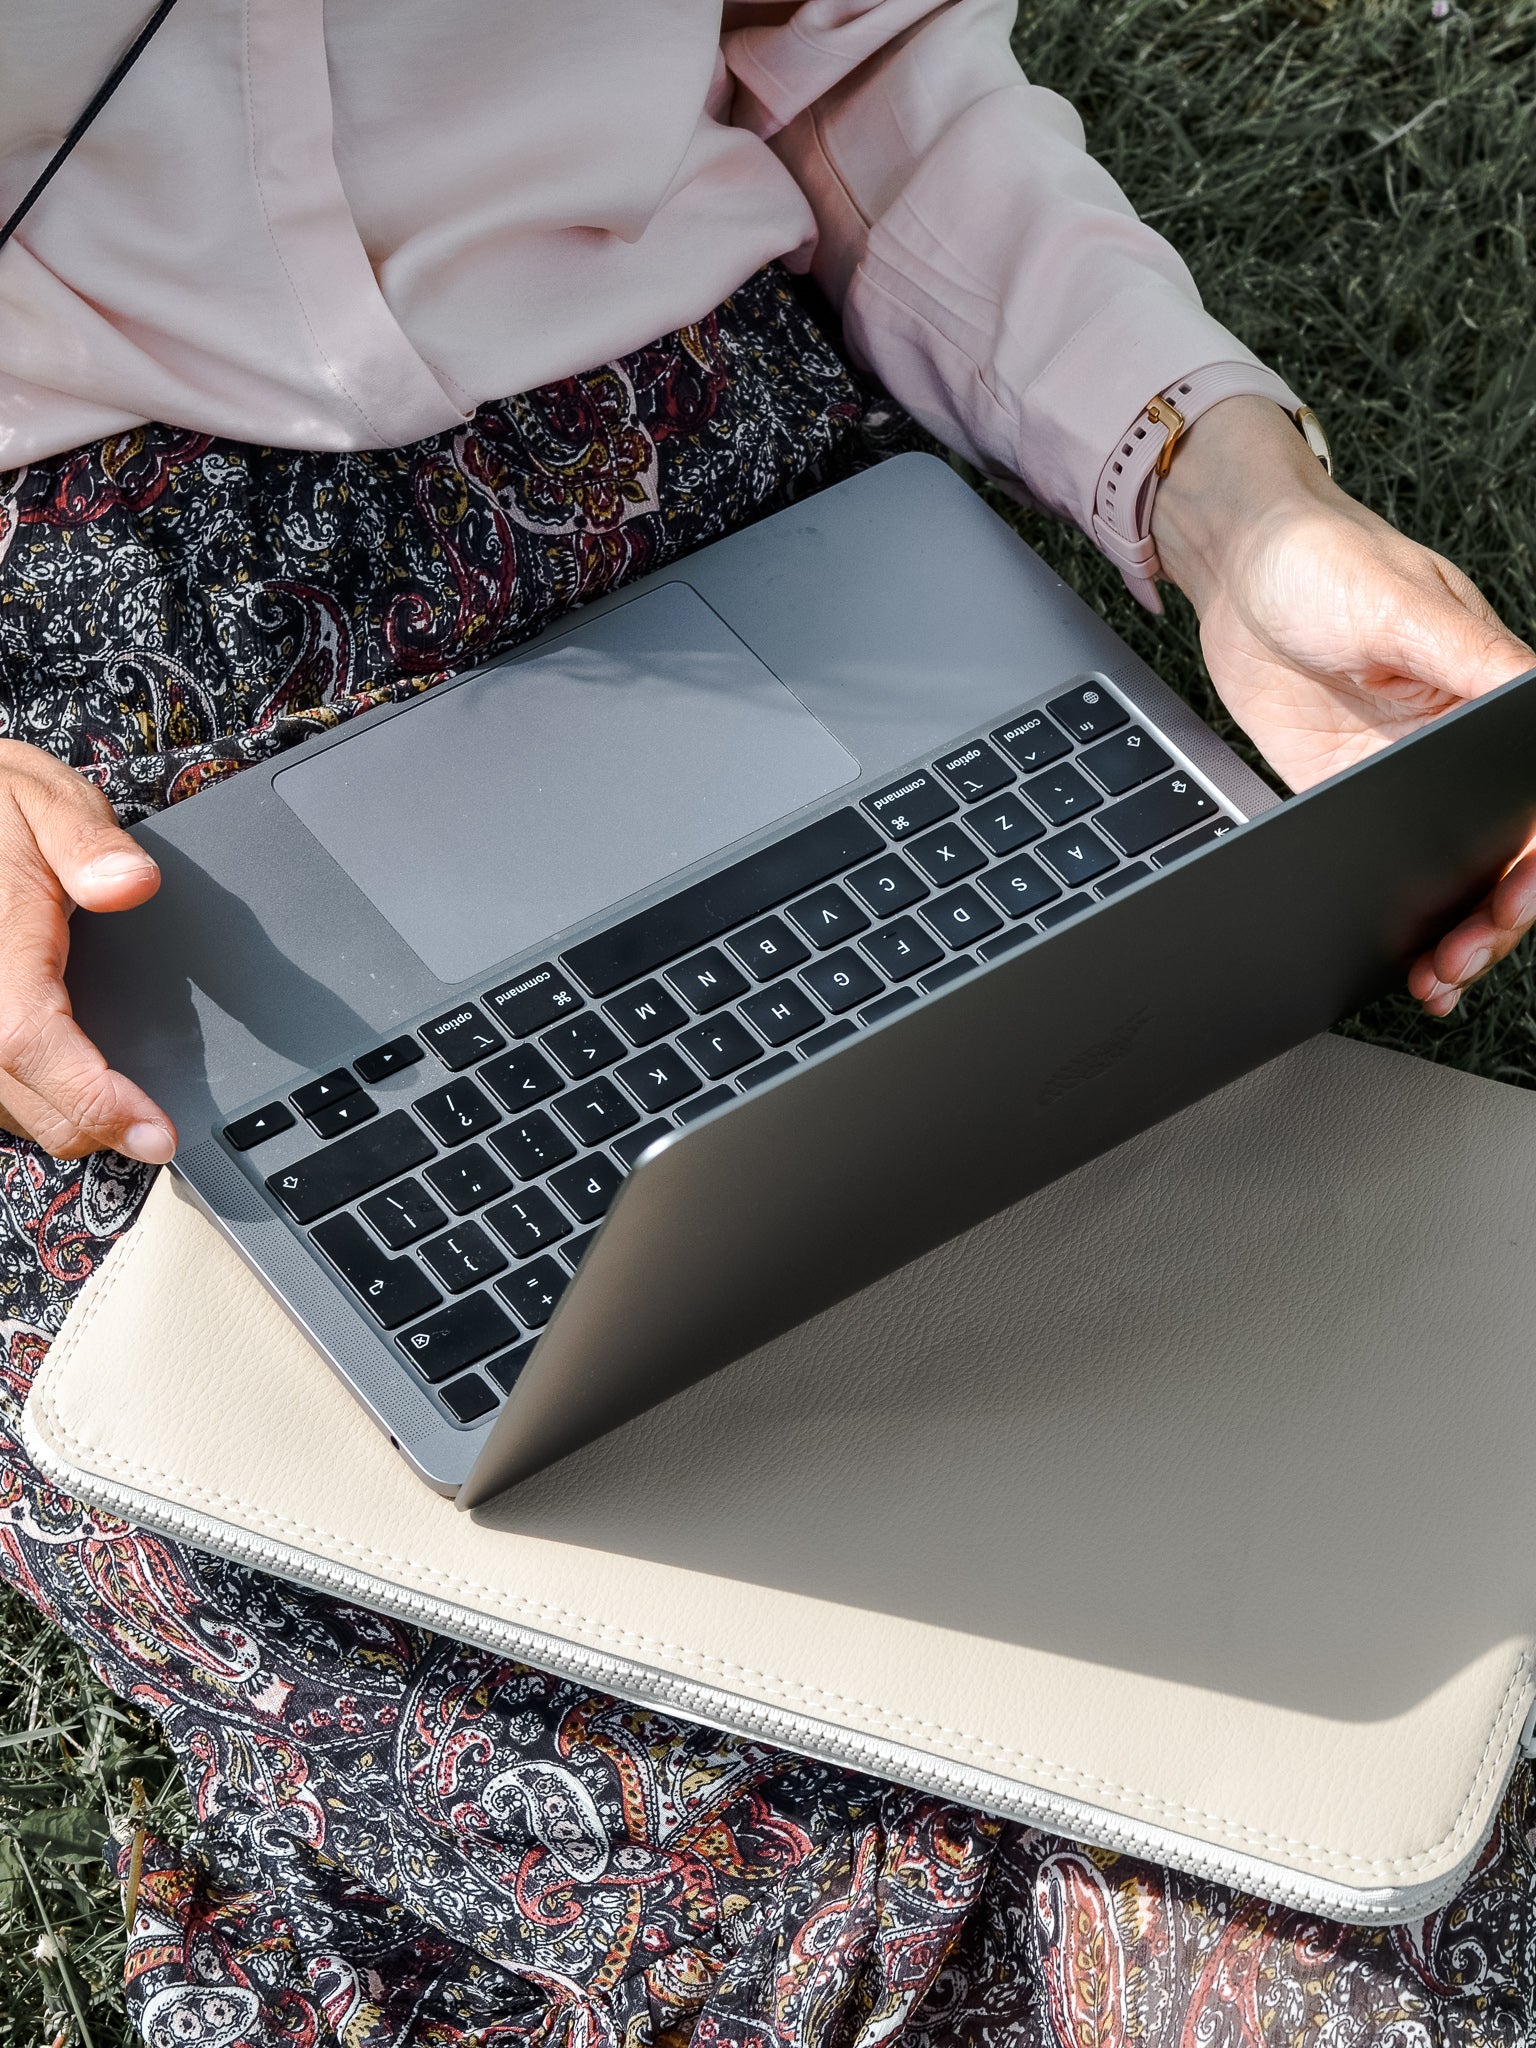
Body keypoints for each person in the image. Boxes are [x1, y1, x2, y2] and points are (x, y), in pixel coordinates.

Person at [0, 4, 1532, 2041]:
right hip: (89, 783)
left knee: (1236, 1444)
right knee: (624, 1679)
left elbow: (846, 61)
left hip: (737, 511)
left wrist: (1222, 496)